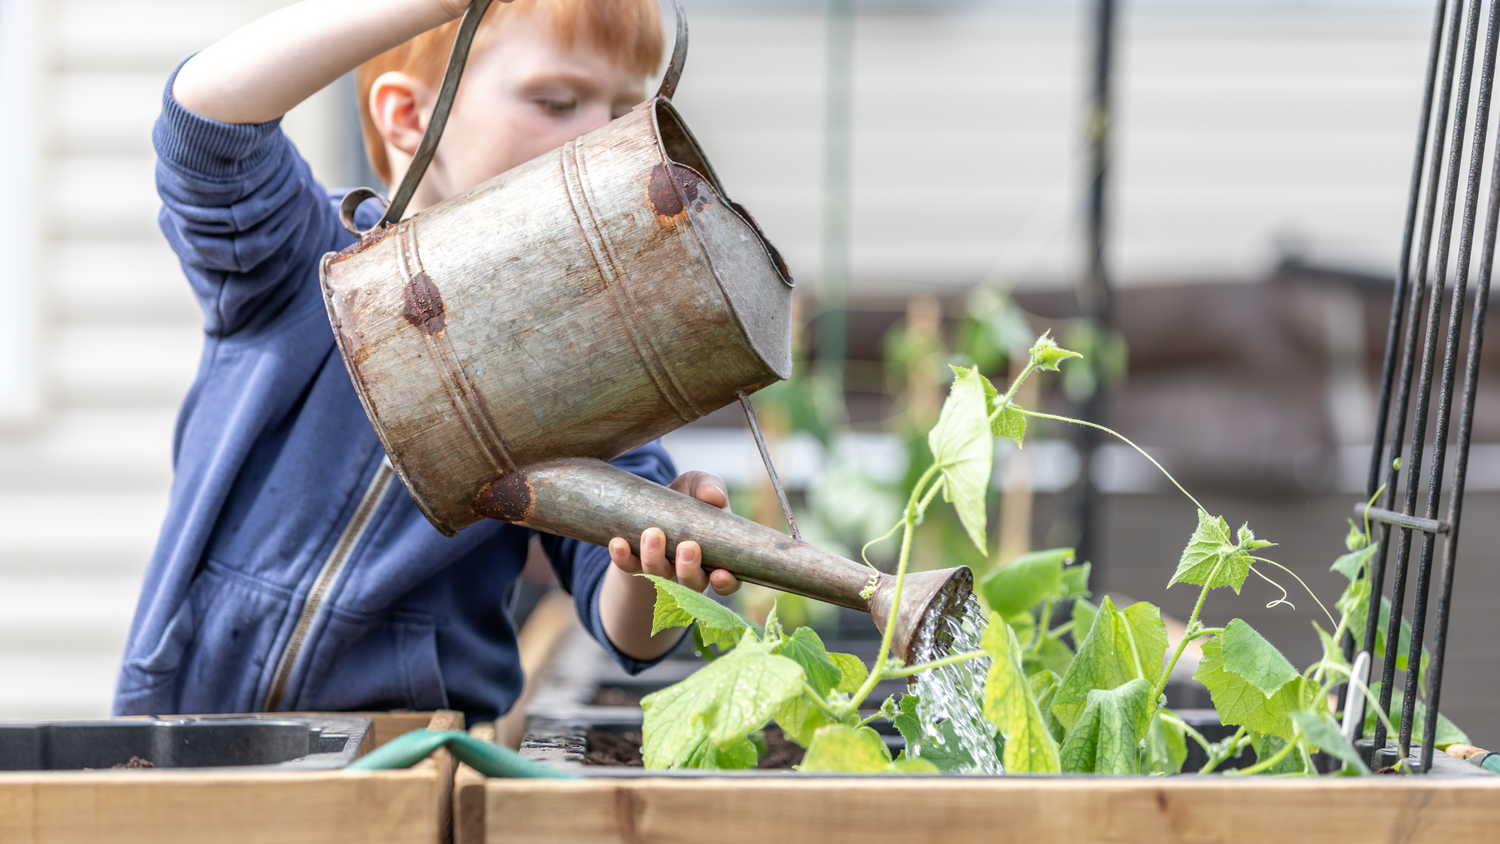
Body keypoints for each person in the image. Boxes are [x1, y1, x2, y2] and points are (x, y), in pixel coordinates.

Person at [114, 0, 740, 724]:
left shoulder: (585, 360)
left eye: (623, 112)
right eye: (558, 100)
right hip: (187, 737)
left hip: (406, 766)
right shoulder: (305, 263)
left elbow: (629, 631)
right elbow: (204, 122)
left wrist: (654, 570)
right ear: (410, 118)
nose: (602, 137)